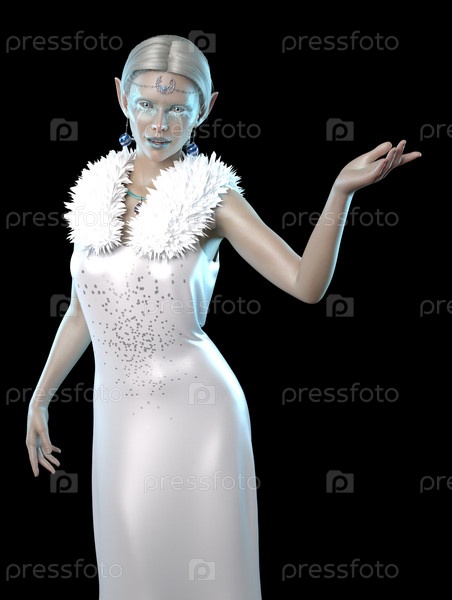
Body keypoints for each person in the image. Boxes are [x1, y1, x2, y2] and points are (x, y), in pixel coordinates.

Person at [25, 33, 421, 599]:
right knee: (132, 574)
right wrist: (40, 397)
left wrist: (340, 193)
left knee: (209, 576)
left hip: (199, 412)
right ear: (120, 97)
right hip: (116, 420)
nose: (159, 123)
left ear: (205, 110)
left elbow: (306, 286)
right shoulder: (94, 191)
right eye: (146, 104)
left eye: (177, 109)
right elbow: (82, 312)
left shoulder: (214, 197)